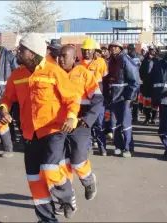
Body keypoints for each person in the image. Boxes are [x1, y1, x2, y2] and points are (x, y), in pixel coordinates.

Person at [0, 33, 80, 222]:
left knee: (50, 169)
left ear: (33, 54)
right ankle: (47, 219)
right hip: (29, 133)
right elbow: (7, 98)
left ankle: (67, 196)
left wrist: (71, 117)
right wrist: (3, 110)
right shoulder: (17, 75)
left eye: (22, 49)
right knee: (34, 180)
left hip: (53, 130)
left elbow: (71, 99)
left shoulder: (54, 72)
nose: (18, 52)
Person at [58, 45, 101, 204]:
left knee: (77, 160)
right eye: (59, 56)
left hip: (80, 123)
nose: (61, 59)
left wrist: (88, 119)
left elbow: (97, 99)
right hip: (59, 125)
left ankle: (88, 180)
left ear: (74, 58)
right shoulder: (55, 73)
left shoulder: (83, 73)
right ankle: (68, 200)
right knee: (61, 163)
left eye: (64, 56)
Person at [105, 41, 140, 158]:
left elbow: (135, 80)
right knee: (114, 123)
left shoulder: (125, 60)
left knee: (125, 124)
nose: (113, 49)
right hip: (114, 97)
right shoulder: (110, 61)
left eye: (116, 47)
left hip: (124, 97)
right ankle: (118, 146)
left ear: (120, 49)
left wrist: (130, 97)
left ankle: (128, 148)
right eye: (112, 47)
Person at [79, 38, 109, 156]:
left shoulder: (101, 62)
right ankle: (88, 146)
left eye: (89, 50)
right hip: (84, 100)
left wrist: (106, 96)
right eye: (84, 50)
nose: (86, 52)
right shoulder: (78, 64)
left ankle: (102, 147)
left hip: (98, 99)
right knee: (86, 124)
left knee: (99, 124)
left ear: (94, 51)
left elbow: (106, 80)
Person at [139, 46, 159, 125]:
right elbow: (141, 71)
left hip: (154, 85)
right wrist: (143, 79)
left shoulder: (158, 61)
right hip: (146, 84)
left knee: (154, 103)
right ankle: (147, 117)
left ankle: (153, 118)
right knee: (146, 102)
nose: (152, 52)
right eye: (151, 50)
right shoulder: (145, 60)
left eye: (153, 50)